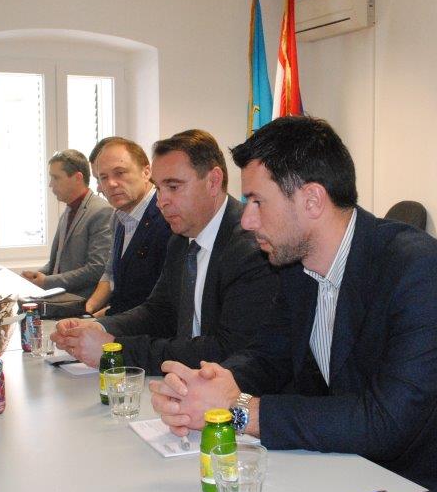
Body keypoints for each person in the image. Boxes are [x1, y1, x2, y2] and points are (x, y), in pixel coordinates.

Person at [149, 117, 437, 490]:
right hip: (346, 465)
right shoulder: (297, 265)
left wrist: (240, 412)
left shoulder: (423, 273)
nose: (246, 220)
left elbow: (386, 421)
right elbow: (268, 356)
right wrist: (210, 385)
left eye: (258, 202)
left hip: (431, 486)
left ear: (312, 200)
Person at [52, 129, 278, 375]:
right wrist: (98, 326)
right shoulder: (180, 239)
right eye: (159, 188)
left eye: (173, 187)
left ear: (213, 181)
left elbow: (227, 350)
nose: (162, 201)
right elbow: (159, 311)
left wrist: (115, 349)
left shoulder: (251, 246)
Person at [83, 137, 171, 316]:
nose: (111, 184)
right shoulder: (119, 218)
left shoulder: (168, 217)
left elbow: (163, 301)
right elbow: (113, 276)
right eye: (103, 177)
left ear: (146, 172)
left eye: (120, 173)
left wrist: (104, 320)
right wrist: (88, 313)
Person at [21, 149, 112, 298]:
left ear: (77, 178)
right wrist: (38, 275)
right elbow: (58, 262)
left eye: (56, 178)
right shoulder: (68, 211)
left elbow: (97, 269)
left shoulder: (101, 211)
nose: (51, 185)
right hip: (60, 298)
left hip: (83, 303)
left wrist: (47, 282)